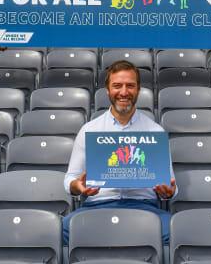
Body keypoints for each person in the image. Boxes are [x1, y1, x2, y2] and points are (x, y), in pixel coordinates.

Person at [63, 60, 177, 244]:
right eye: (117, 86)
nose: (124, 92)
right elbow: (69, 180)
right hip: (97, 206)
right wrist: (78, 186)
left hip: (145, 208)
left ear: (138, 90)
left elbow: (171, 184)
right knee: (62, 229)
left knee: (177, 230)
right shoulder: (89, 130)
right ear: (108, 90)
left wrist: (169, 192)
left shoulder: (155, 132)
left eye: (130, 86)